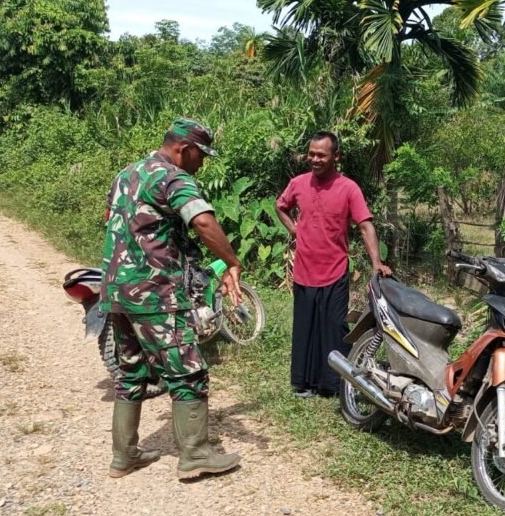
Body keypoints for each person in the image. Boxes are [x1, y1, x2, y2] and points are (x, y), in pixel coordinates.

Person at [101, 117, 243, 480]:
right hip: (155, 294)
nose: (202, 163)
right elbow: (203, 222)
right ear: (185, 149)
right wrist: (231, 262)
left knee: (130, 372)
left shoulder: (126, 174)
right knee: (189, 372)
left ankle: (123, 457)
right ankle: (195, 454)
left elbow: (111, 218)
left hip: (117, 291)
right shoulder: (174, 177)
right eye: (201, 155)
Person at [276, 131, 391, 398]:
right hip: (304, 270)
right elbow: (280, 206)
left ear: (336, 156)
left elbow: (365, 226)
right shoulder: (298, 183)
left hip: (335, 271)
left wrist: (377, 263)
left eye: (321, 155)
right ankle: (302, 383)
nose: (314, 159)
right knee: (305, 328)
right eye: (311, 154)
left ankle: (333, 384)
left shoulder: (348, 188)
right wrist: (294, 230)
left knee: (333, 327)